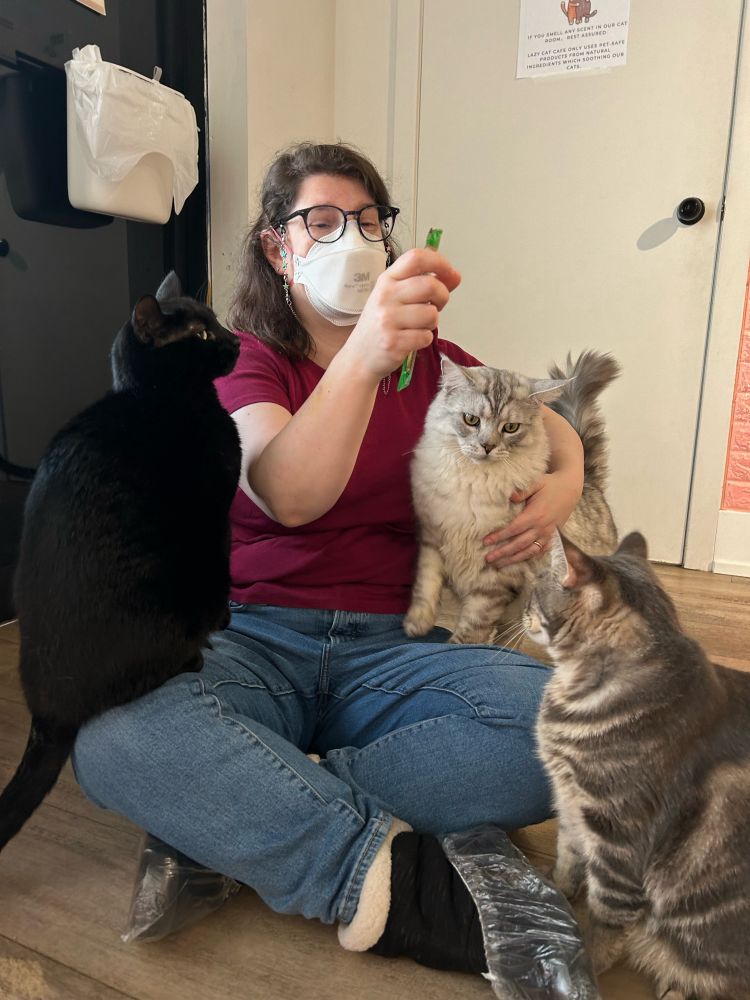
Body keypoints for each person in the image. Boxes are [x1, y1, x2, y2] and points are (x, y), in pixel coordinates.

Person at [73, 142, 585, 976]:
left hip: (391, 649)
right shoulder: (242, 360)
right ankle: (379, 875)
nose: (354, 236)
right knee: (110, 729)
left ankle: (248, 808)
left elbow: (551, 428)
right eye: (323, 220)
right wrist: (363, 356)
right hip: (250, 638)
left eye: (371, 220)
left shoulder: (435, 361)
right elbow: (289, 492)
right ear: (279, 247)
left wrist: (564, 490)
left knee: (570, 726)